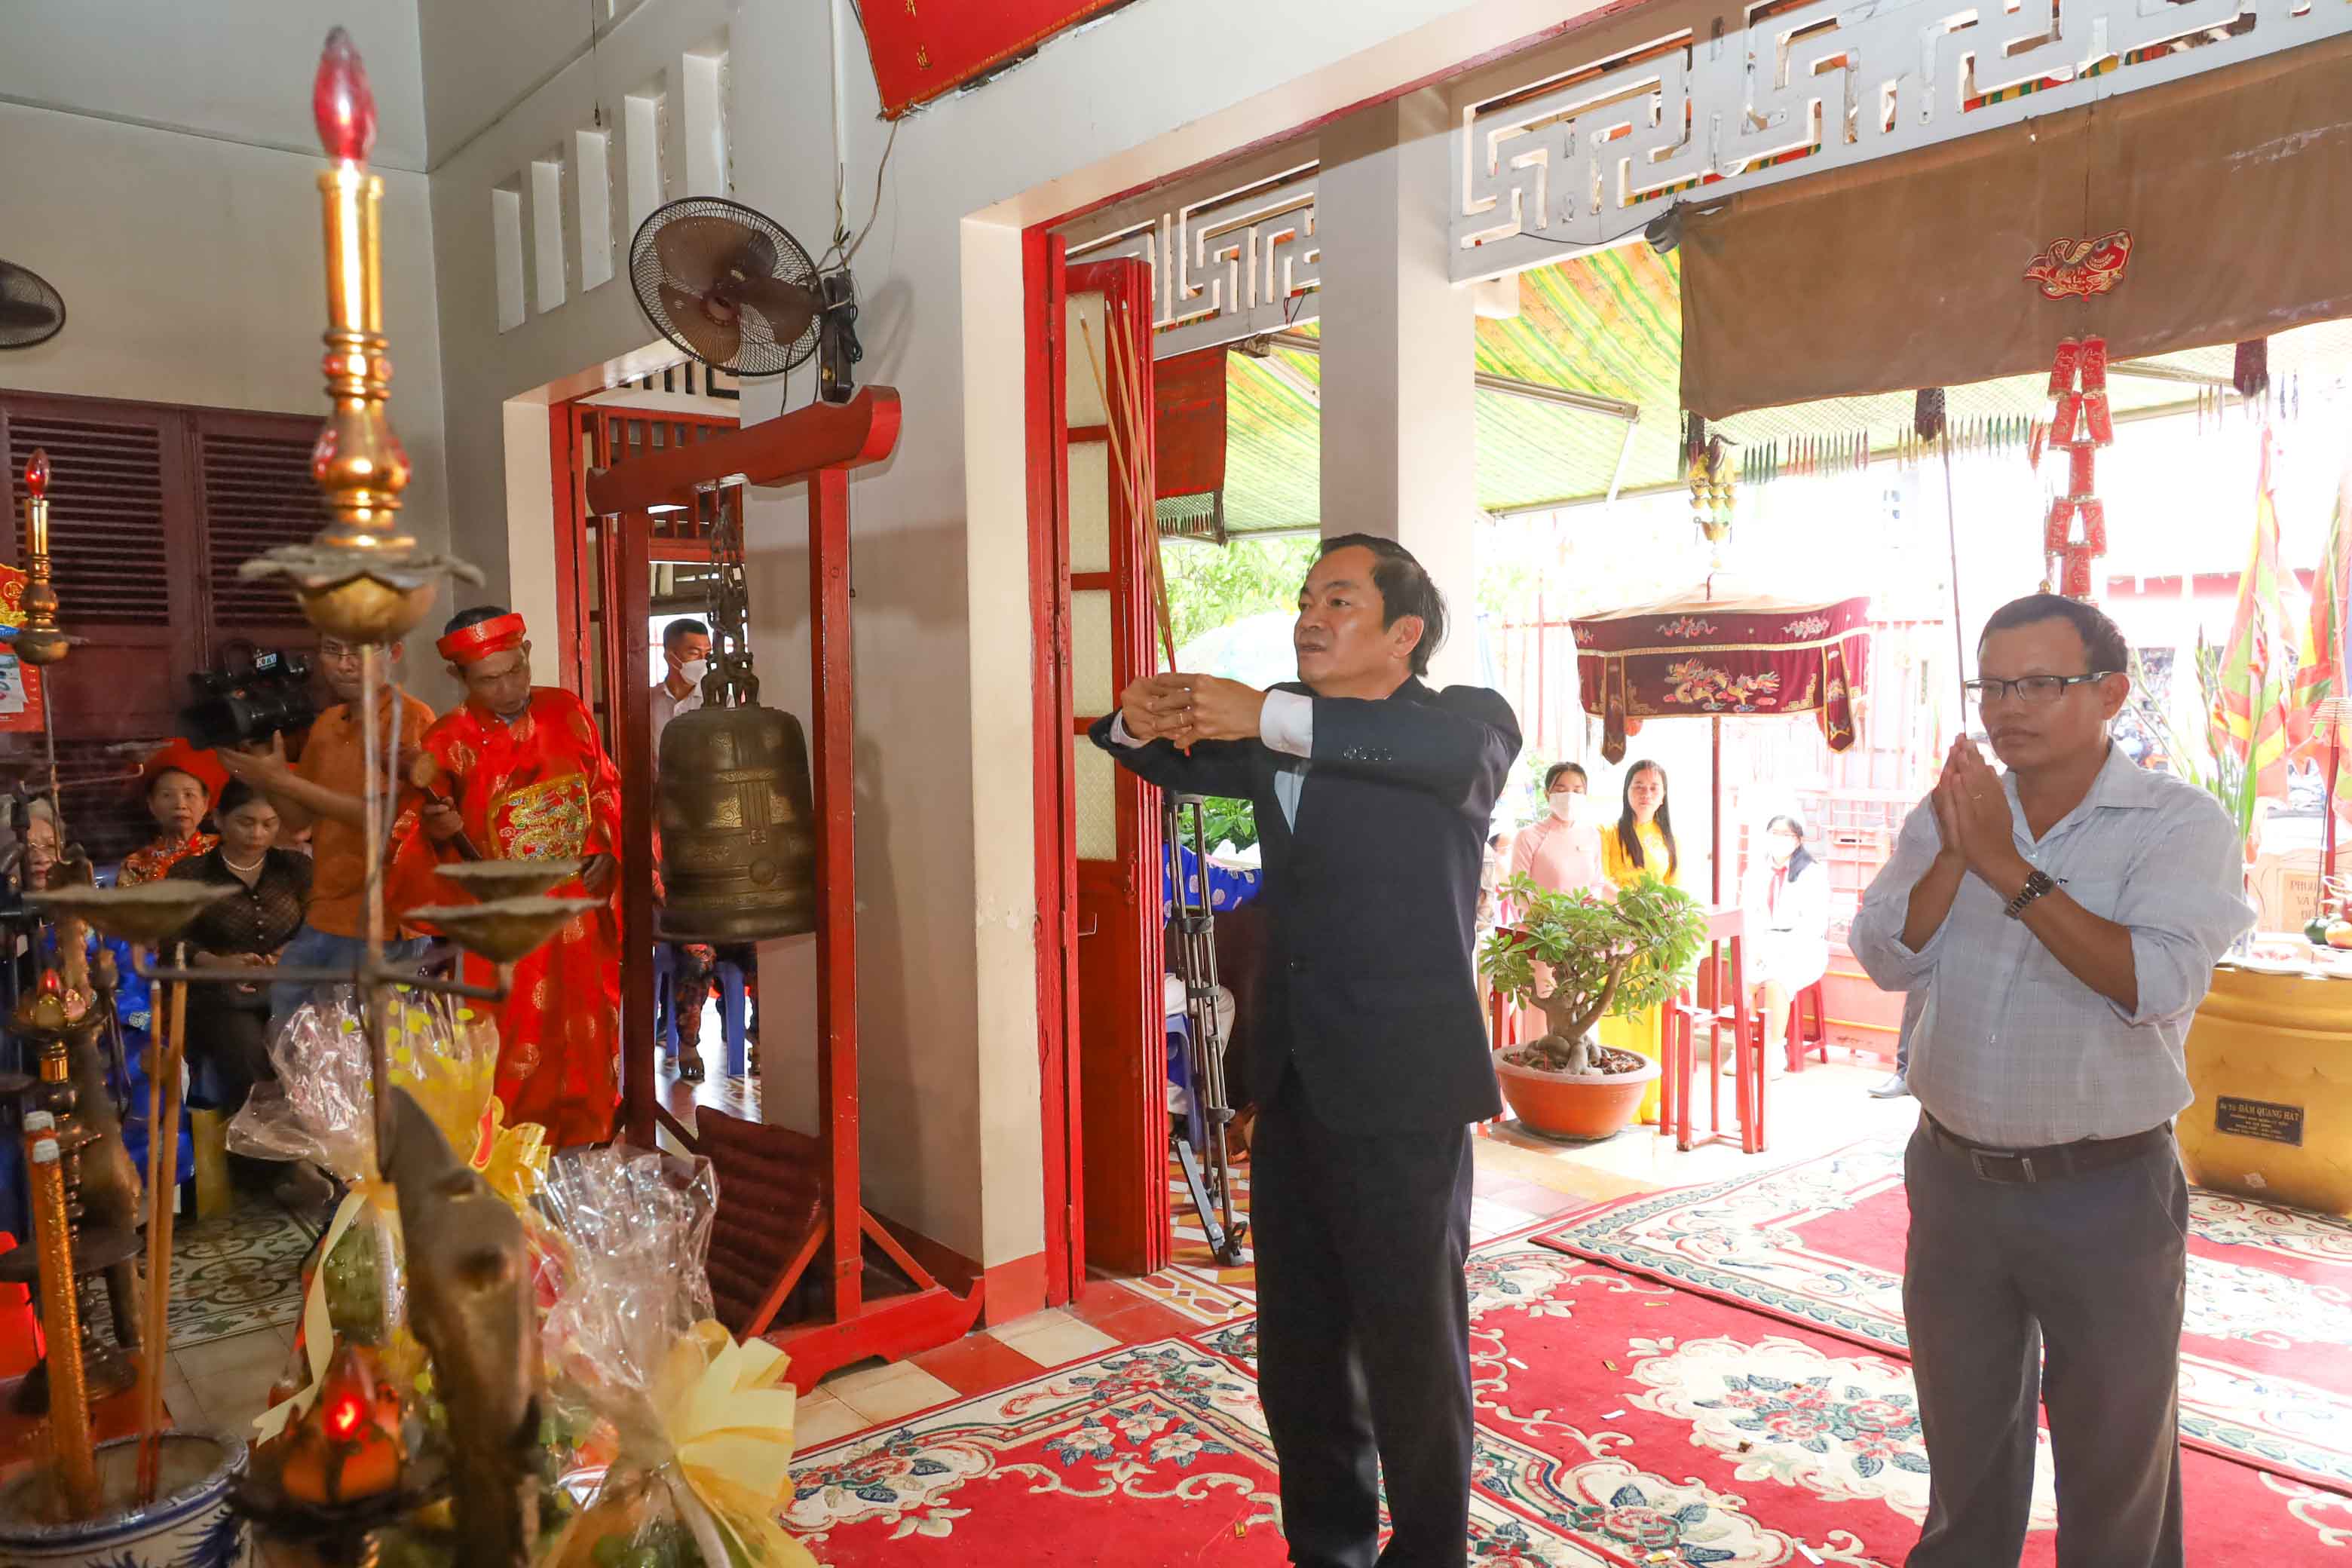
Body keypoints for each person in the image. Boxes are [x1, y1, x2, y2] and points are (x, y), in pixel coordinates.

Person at [1095, 533, 1519, 1568]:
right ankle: (1326, 1548)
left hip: (1404, 1094)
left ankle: (1429, 1555)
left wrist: (1267, 712)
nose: (1308, 616)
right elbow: (1156, 753)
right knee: (1301, 1354)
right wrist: (1132, 713)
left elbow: (1426, 758)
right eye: (1304, 598)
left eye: (1338, 599)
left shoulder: (1462, 724)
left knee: (1412, 1351)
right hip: (1292, 1091)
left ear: (1405, 633)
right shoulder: (1286, 736)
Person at [1848, 593, 2252, 1568]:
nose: (2007, 708)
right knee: (1964, 1441)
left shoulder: (2176, 824)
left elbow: (2152, 984)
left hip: (2104, 1191)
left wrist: (2005, 867)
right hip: (1952, 1183)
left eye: (2040, 683)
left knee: (2115, 1459)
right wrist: (1956, 849)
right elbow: (1883, 955)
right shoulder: (1956, 811)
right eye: (1993, 685)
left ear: (2111, 692)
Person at [390, 607, 623, 1147]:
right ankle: (507, 1155)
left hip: (576, 901)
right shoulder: (448, 740)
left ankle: (587, 1137)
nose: (508, 687)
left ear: (527, 654)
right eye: (489, 679)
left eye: (515, 670)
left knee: (587, 1024)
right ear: (460, 679)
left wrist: (607, 851)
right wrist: (438, 830)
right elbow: (410, 839)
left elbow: (604, 787)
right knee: (509, 1034)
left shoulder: (567, 710)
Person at [216, 632, 437, 1029]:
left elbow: (384, 819)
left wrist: (283, 782)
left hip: (384, 920)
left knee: (361, 1059)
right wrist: (266, 774)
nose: (345, 663)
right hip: (327, 911)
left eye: (360, 651)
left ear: (396, 653)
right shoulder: (327, 723)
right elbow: (300, 819)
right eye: (333, 651)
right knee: (293, 1037)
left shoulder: (411, 719)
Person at [17, 800, 190, 1191]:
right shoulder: (13, 920)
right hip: (38, 1042)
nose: (42, 858)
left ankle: (145, 1193)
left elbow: (132, 978)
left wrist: (104, 1005)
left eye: (49, 846)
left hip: (115, 1029)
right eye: (30, 850)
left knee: (150, 1070)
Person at [166, 782, 313, 1172]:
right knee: (246, 1047)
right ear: (219, 820)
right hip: (219, 995)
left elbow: (321, 923)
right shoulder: (191, 872)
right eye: (246, 823)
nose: (258, 834)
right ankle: (281, 1167)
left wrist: (287, 955)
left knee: (308, 1039)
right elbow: (170, 939)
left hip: (290, 987)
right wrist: (217, 963)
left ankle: (326, 1153)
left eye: (269, 824)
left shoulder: (295, 868)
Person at [1597, 759, 1679, 1122]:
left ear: (1663, 797)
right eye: (1639, 786)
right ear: (1627, 791)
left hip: (1654, 940)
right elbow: (1599, 882)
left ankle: (1650, 1104)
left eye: (1654, 788)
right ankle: (1618, 1105)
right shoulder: (1608, 833)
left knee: (1653, 1017)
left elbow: (1676, 890)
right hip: (1619, 937)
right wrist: (1632, 906)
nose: (1646, 793)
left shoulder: (1668, 840)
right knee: (1617, 1013)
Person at [1738, 814, 1830, 1073]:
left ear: (1798, 840)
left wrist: (1781, 950)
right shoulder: (1754, 872)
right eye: (1774, 833)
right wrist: (1755, 948)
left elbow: (1814, 924)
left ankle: (1774, 1050)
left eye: (1786, 835)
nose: (1779, 839)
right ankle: (1742, 1047)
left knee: (1778, 978)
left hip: (1803, 948)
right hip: (1765, 944)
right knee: (1745, 981)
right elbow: (1748, 915)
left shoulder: (1813, 873)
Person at [116, 738, 228, 887]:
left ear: (206, 803)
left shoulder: (228, 849)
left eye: (189, 795)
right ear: (151, 803)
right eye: (167, 795)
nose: (180, 805)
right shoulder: (136, 865)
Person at [649, 617, 712, 754]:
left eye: (707, 654)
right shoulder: (648, 702)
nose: (703, 661)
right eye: (695, 653)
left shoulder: (721, 702)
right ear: (671, 657)